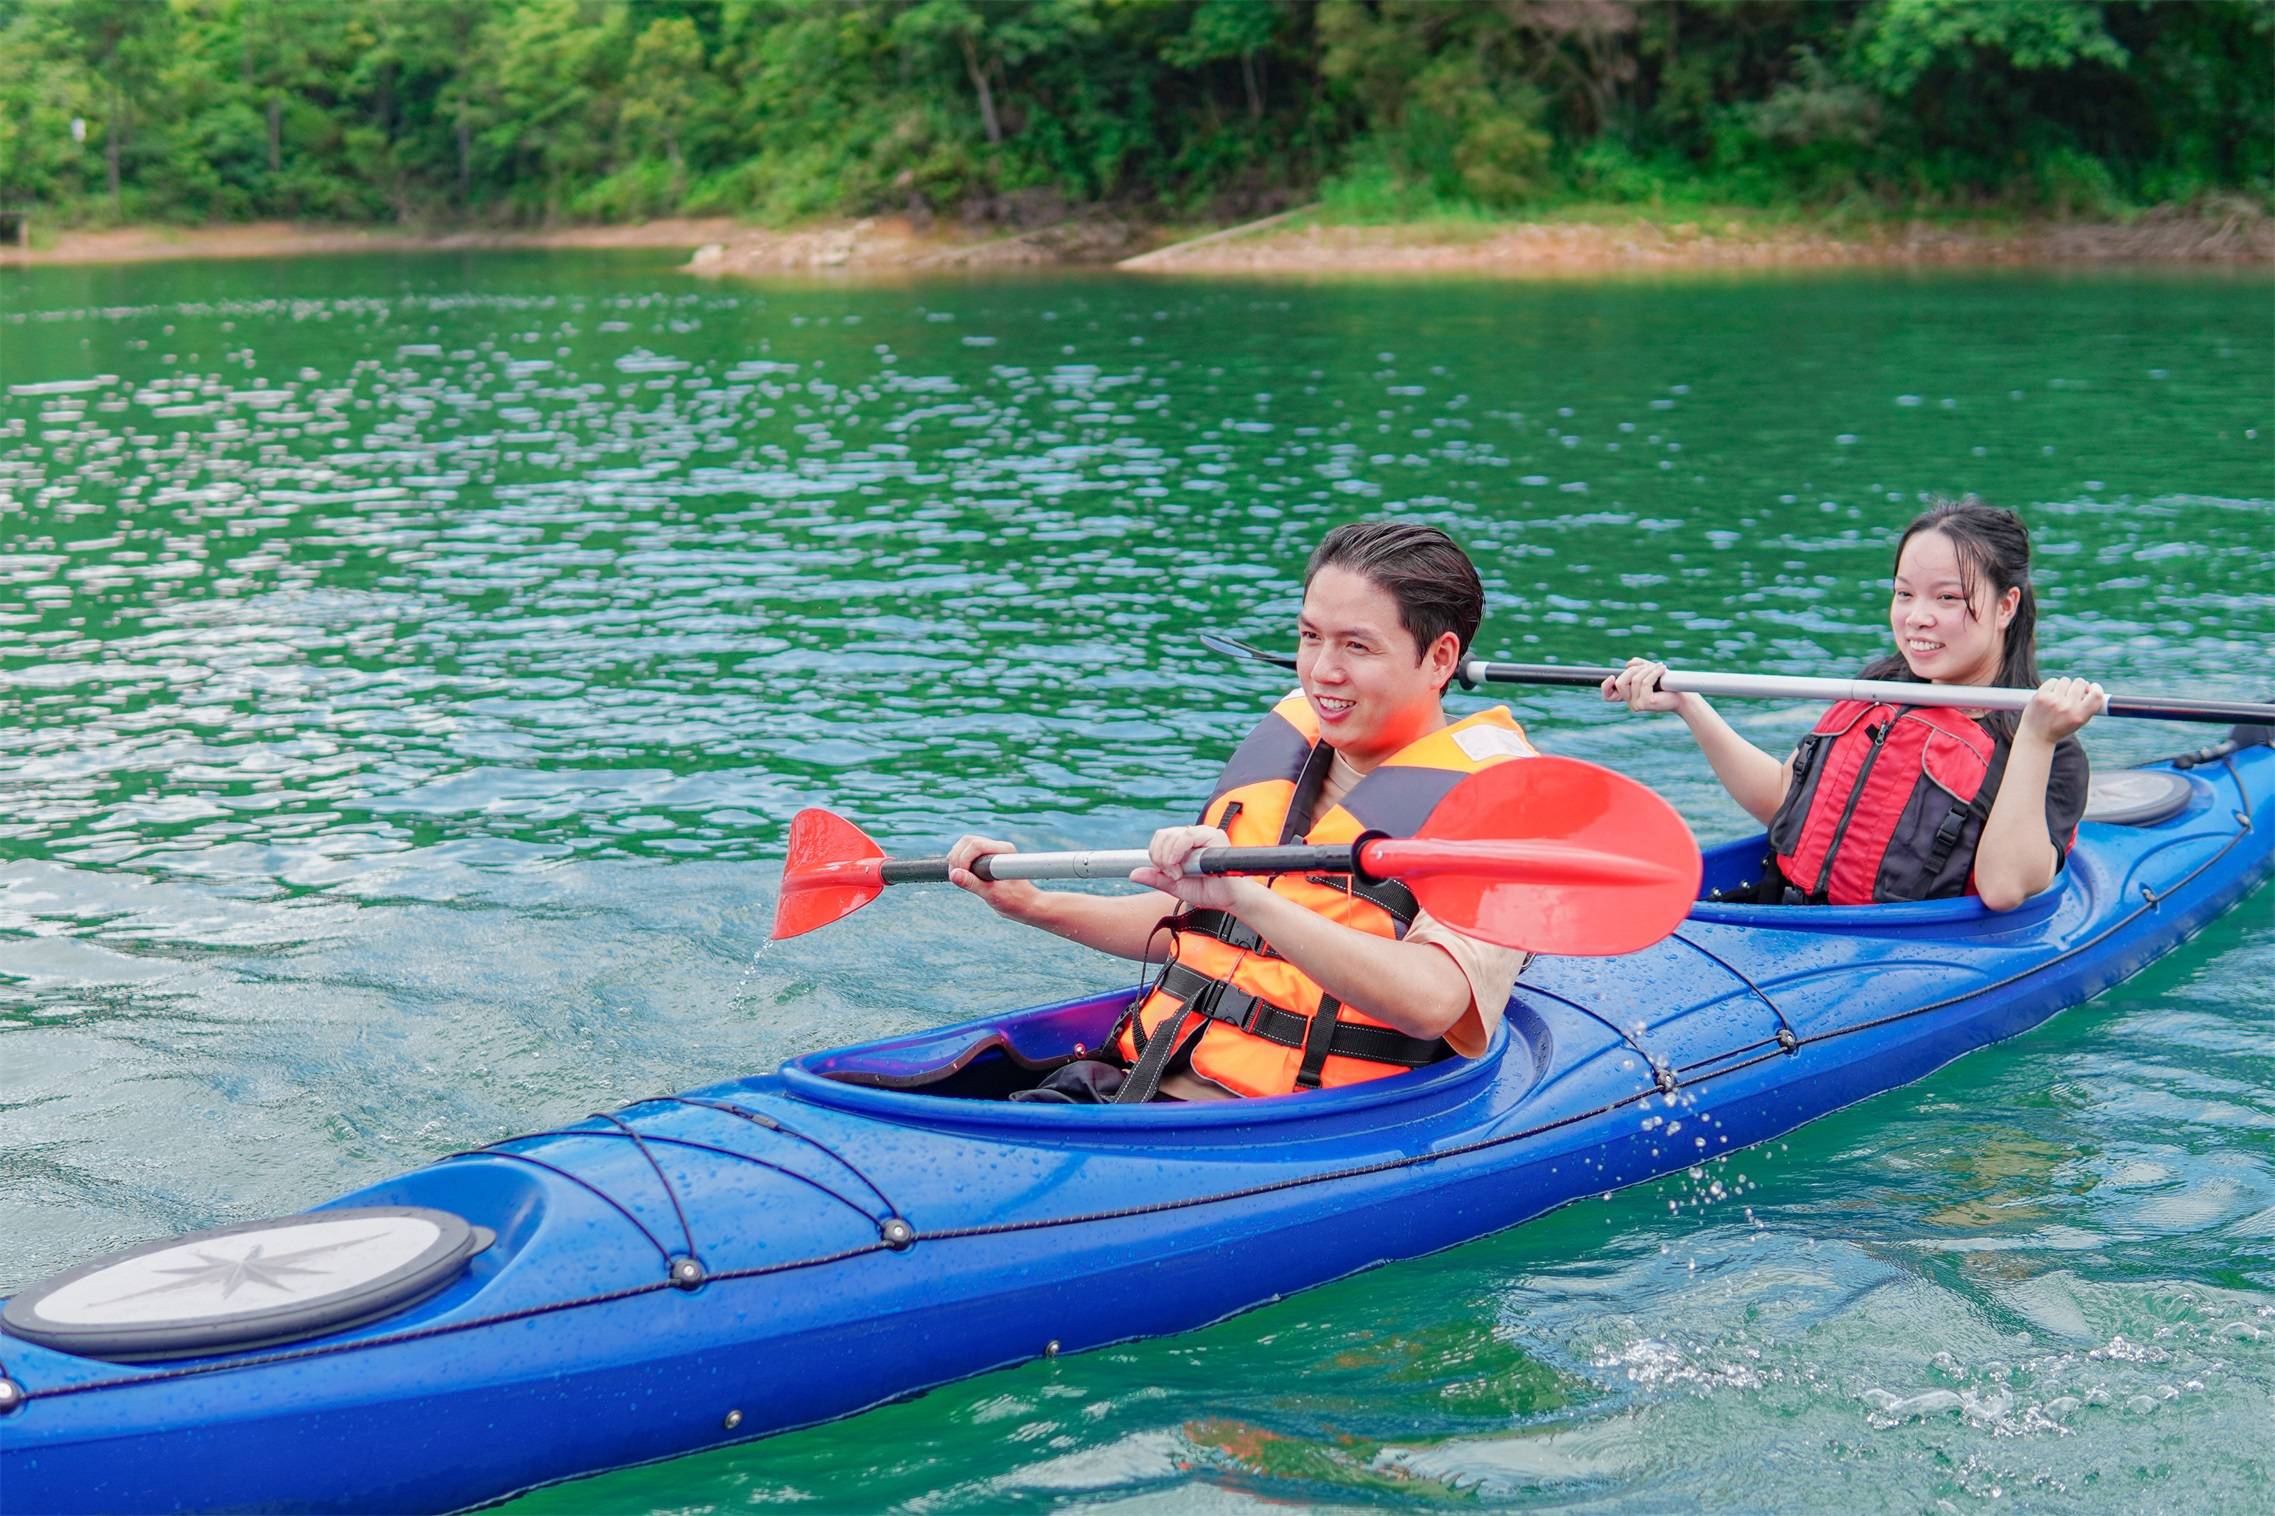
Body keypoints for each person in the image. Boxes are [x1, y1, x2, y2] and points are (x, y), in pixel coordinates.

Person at [946, 521, 1536, 1103]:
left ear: (1440, 659)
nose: (1321, 671)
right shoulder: (1293, 755)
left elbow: (1436, 1002)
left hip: (1291, 1129)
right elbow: (1206, 923)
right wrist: (1036, 905)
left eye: (1356, 645)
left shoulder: (1496, 805)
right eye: (1310, 636)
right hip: (1132, 1085)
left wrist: (1249, 898)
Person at [1602, 500, 2102, 911]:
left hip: (1910, 955)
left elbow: (2004, 890)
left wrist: (2038, 737)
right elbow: (1784, 800)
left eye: (1947, 599)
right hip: (1790, 923)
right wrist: (1690, 704)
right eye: (1904, 594)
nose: (1916, 618)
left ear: (2006, 606)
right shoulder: (1878, 689)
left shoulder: (2049, 749)